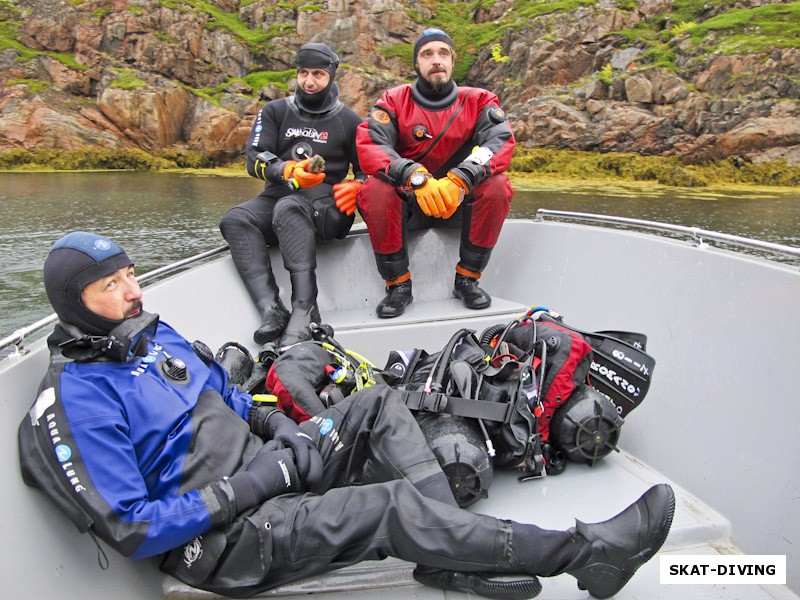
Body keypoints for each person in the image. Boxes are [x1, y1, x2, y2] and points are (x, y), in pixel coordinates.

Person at [19, 231, 675, 600]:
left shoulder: (149, 333)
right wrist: (257, 483)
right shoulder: (76, 398)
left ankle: (448, 557)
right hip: (230, 539)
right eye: (110, 285)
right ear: (72, 303)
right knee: (391, 507)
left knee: (375, 402)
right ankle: (589, 553)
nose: (133, 291)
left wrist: (279, 429)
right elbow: (134, 530)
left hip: (268, 466)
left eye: (131, 273)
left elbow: (231, 397)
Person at [353, 28, 515, 318]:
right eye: (427, 54)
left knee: (498, 185)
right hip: (410, 206)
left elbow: (499, 142)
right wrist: (416, 177)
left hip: (458, 205)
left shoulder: (479, 101)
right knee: (372, 189)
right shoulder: (392, 101)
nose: (436, 60)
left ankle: (467, 279)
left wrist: (461, 177)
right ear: (417, 64)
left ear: (453, 60)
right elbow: (372, 145)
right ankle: (398, 285)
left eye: (443, 53)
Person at [220, 43, 364, 346]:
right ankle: (271, 310)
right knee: (235, 219)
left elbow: (369, 169)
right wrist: (286, 170)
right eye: (303, 73)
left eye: (318, 74)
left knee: (288, 207)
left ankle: (305, 308)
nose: (309, 82)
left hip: (327, 207)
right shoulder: (274, 111)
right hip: (278, 194)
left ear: (331, 76)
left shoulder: (349, 121)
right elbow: (254, 158)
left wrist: (358, 187)